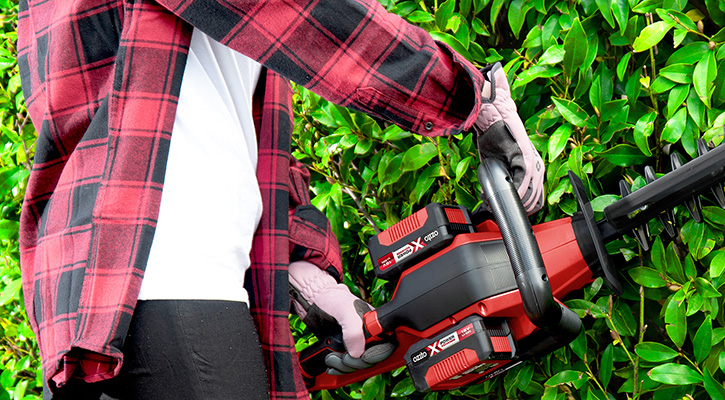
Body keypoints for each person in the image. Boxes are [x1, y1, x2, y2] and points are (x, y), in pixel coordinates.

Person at [15, 0, 544, 397]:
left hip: (127, 301)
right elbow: (310, 16)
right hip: (171, 290)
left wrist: (301, 269)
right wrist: (473, 96)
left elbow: (229, 132)